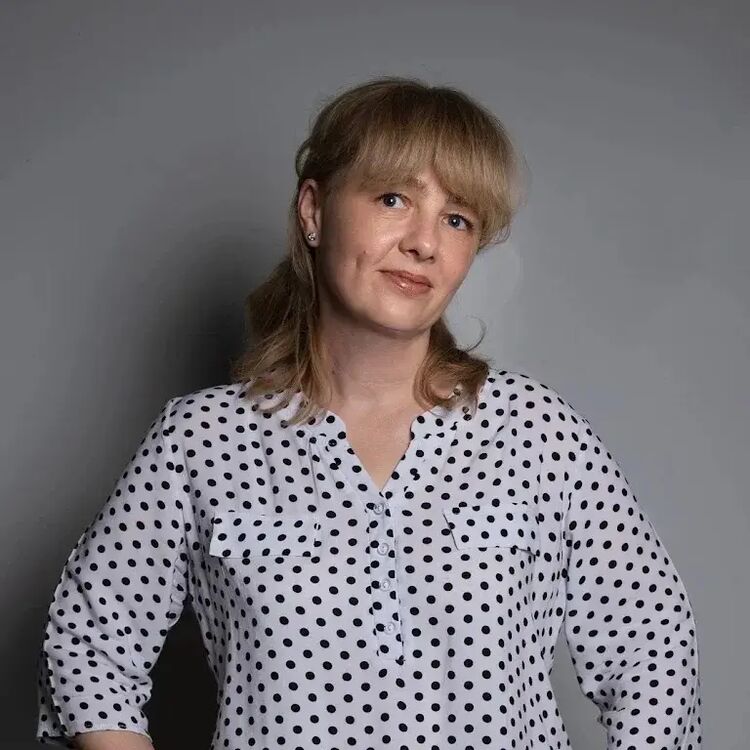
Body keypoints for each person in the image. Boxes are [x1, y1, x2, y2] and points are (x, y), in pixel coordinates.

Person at [35, 75, 702, 750]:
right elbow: (88, 644)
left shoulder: (536, 433)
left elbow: (654, 645)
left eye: (457, 219)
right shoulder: (201, 440)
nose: (424, 243)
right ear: (314, 211)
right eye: (393, 199)